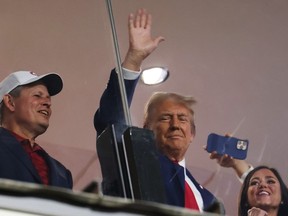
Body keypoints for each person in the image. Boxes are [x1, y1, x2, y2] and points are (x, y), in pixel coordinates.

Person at [94, 8, 223, 213]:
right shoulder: (134, 161)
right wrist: (134, 59)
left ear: (192, 134)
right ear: (147, 129)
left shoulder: (208, 199)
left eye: (182, 119)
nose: (175, 125)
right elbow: (110, 122)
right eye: (165, 117)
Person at [0, 70, 72, 188]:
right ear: (10, 102)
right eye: (37, 96)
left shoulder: (63, 173)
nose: (47, 103)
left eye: (48, 98)